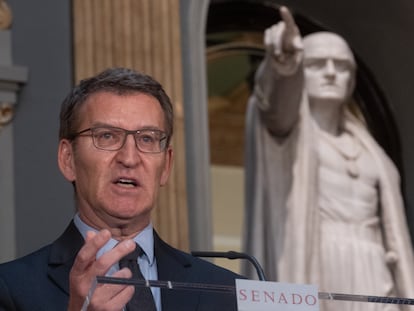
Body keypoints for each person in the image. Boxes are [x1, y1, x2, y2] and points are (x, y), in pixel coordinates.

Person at [0, 67, 242, 310]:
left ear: (166, 165)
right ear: (68, 159)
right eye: (107, 136)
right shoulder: (10, 288)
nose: (129, 158)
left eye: (147, 138)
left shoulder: (230, 292)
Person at [243, 6, 414, 311]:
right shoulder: (288, 134)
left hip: (375, 266)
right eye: (318, 64)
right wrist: (284, 64)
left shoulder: (371, 149)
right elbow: (275, 105)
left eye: (342, 66)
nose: (332, 72)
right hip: (318, 258)